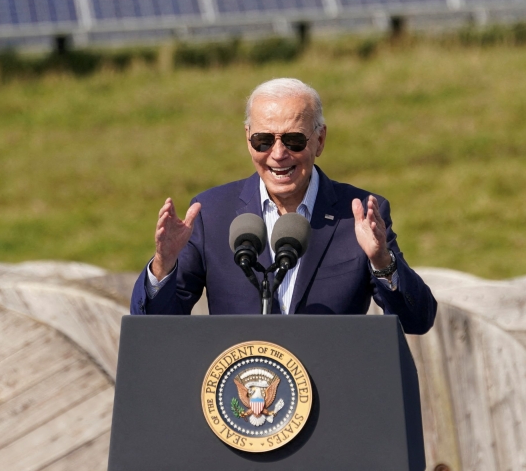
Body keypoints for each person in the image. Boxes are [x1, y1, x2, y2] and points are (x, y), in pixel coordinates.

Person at [130, 78, 436, 335]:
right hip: (241, 401)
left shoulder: (358, 215)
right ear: (248, 138)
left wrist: (382, 261)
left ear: (319, 140)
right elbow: (154, 327)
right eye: (263, 140)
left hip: (331, 399)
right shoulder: (212, 213)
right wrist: (163, 265)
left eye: (293, 141)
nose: (278, 154)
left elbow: (417, 320)